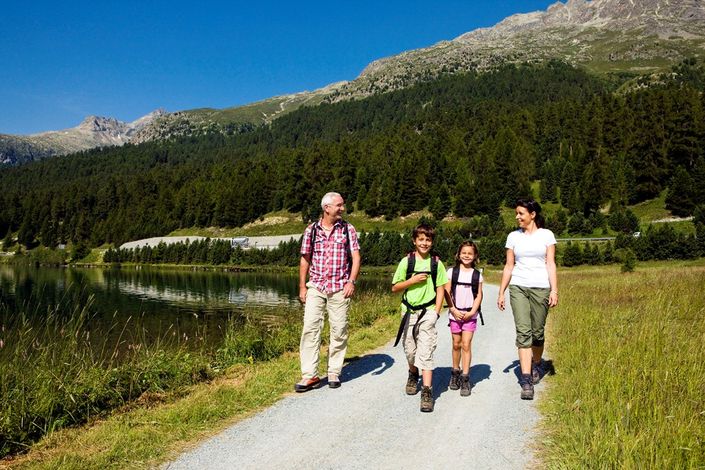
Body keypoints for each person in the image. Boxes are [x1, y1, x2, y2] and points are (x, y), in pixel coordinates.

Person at [295, 192, 361, 392]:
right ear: (327, 208)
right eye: (339, 205)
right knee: (310, 328)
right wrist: (302, 286)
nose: (342, 208)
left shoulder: (348, 229)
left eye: (342, 205)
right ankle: (310, 375)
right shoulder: (311, 231)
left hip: (340, 287)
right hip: (316, 285)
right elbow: (305, 259)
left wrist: (351, 281)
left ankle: (333, 371)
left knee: (339, 329)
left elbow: (356, 258)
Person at [497, 199, 558, 400]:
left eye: (521, 213)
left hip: (541, 287)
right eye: (516, 213)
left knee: (537, 332)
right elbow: (509, 265)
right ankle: (526, 380)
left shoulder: (546, 235)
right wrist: (501, 291)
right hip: (518, 287)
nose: (517, 217)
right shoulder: (513, 237)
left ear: (532, 214)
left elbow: (550, 263)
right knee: (524, 332)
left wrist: (554, 290)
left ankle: (537, 363)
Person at [392, 223, 448, 412]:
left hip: (428, 312)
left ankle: (427, 391)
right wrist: (412, 281)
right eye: (421, 239)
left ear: (432, 242)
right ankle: (412, 372)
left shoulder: (436, 263)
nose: (424, 243)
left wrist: (436, 312)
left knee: (426, 351)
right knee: (410, 350)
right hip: (408, 312)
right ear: (414, 241)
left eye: (428, 240)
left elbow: (441, 288)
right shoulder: (406, 262)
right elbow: (395, 287)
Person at [444, 241, 483, 397]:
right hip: (455, 314)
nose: (466, 256)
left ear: (475, 256)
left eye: (470, 253)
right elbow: (447, 292)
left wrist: (473, 311)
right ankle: (455, 372)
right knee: (456, 344)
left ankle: (465, 376)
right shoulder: (451, 272)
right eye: (464, 253)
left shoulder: (477, 274)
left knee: (466, 344)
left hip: (470, 315)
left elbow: (479, 294)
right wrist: (452, 309)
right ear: (458, 255)